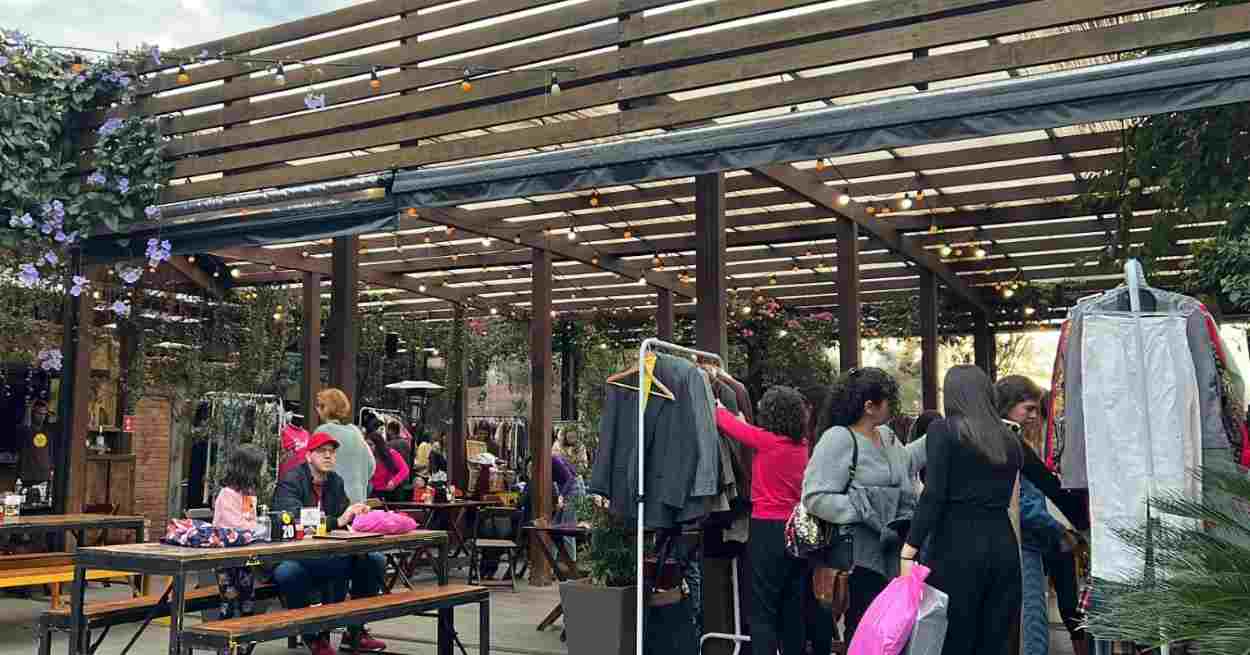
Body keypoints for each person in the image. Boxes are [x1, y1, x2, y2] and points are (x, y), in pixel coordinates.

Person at [900, 365, 1087, 655]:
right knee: (995, 640)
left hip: (954, 549)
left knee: (955, 639)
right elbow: (1050, 484)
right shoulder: (1009, 438)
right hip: (1003, 549)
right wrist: (1086, 522)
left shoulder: (943, 431)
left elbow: (933, 494)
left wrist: (909, 548)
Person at [803, 367, 914, 640]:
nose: (893, 406)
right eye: (888, 400)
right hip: (857, 554)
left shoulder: (886, 436)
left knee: (890, 631)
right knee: (863, 629)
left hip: (890, 548)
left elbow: (907, 464)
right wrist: (863, 510)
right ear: (869, 406)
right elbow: (815, 497)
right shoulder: (838, 438)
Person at [715, 386, 811, 655]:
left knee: (762, 610)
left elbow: (725, 422)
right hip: (797, 529)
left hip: (767, 529)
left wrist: (718, 406)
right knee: (792, 606)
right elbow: (747, 430)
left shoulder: (765, 441)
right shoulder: (802, 446)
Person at [272, 432, 383, 655]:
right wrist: (338, 520)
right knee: (288, 572)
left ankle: (355, 631)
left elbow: (344, 515)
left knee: (374, 560)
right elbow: (294, 519)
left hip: (328, 552)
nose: (328, 456)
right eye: (322, 451)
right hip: (296, 554)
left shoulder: (335, 481)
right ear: (308, 456)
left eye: (332, 452)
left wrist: (358, 514)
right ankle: (313, 635)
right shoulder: (291, 480)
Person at [998, 381, 1087, 655]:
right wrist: (1061, 531)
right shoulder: (1009, 443)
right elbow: (1023, 503)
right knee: (1032, 621)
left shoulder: (1005, 439)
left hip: (1023, 541)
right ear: (1007, 406)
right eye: (1028, 409)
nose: (1034, 415)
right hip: (1025, 543)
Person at [309, 389, 385, 650]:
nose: (316, 410)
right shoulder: (356, 433)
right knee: (365, 562)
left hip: (333, 512)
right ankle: (355, 631)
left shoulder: (322, 433)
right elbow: (372, 468)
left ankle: (323, 632)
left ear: (325, 409)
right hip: (358, 513)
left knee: (333, 568)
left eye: (319, 406)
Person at [212, 445, 263, 620]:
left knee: (248, 596)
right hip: (225, 555)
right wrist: (258, 528)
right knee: (228, 597)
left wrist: (256, 526)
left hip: (245, 554)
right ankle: (225, 632)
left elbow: (250, 520)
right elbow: (236, 524)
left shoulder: (248, 494)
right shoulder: (227, 494)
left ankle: (245, 632)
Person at [367, 430, 410, 498]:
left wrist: (394, 481)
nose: (368, 447)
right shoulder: (367, 457)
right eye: (367, 445)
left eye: (371, 444)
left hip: (390, 493)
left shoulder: (391, 453)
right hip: (373, 492)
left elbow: (405, 470)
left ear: (378, 444)